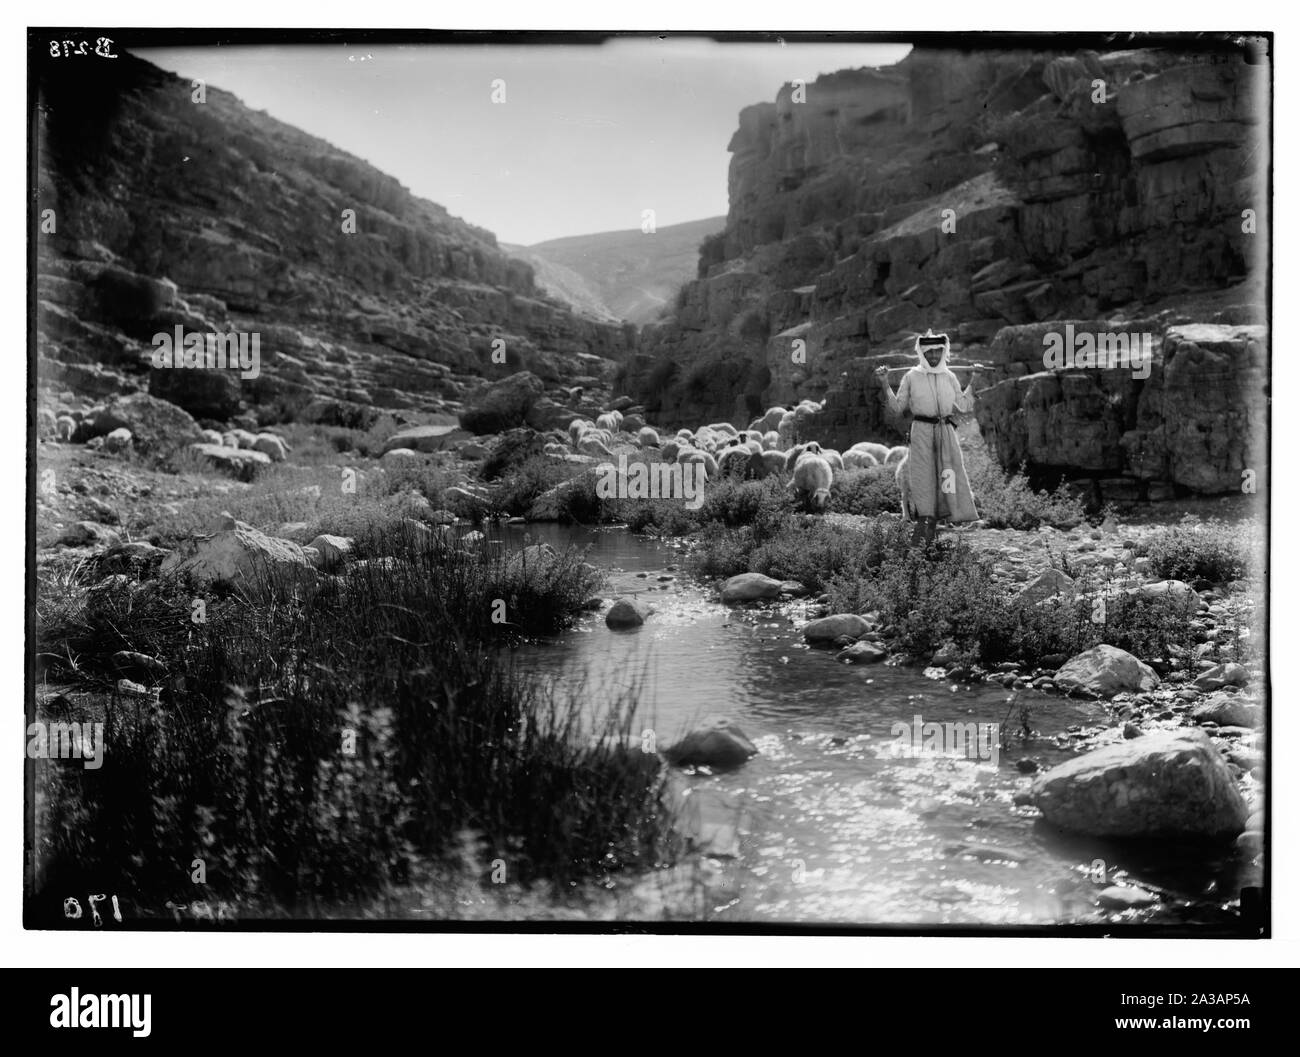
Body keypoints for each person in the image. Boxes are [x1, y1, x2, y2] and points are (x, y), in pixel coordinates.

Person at [874, 330, 987, 548]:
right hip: (922, 432)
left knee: (948, 475)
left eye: (938, 351)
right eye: (929, 352)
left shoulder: (949, 377)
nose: (934, 355)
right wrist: (884, 383)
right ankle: (922, 533)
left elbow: (964, 405)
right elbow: (898, 407)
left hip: (946, 432)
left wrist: (975, 379)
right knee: (924, 480)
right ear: (922, 353)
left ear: (944, 352)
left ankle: (940, 527)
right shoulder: (911, 377)